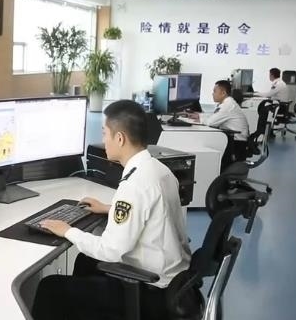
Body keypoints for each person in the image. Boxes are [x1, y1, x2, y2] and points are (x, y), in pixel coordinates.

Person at [31, 100, 192, 320]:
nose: (103, 140)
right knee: (84, 261)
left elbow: (110, 251)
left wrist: (67, 230)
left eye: (104, 133)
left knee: (50, 288)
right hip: (175, 283)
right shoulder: (159, 169)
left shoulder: (134, 184)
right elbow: (151, 212)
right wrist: (109, 208)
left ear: (120, 138)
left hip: (152, 291)